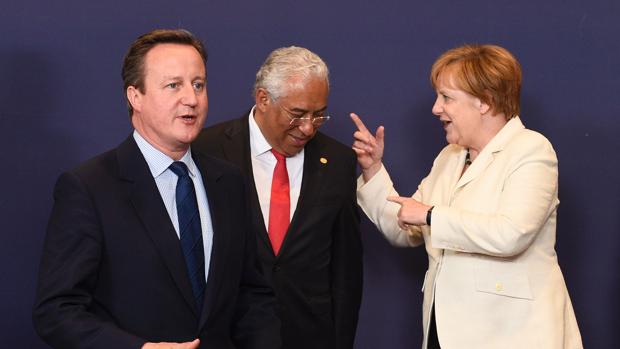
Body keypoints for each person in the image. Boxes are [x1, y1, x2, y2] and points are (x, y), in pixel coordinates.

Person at [33, 29, 280, 349]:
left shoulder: (229, 182)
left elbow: (253, 295)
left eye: (198, 85)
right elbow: (56, 311)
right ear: (135, 96)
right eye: (173, 85)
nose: (191, 99)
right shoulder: (89, 187)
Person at [351, 44, 582, 348]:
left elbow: (511, 234)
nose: (436, 108)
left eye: (446, 97)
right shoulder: (450, 156)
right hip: (445, 332)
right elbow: (404, 227)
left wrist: (431, 215)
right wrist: (373, 170)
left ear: (485, 101)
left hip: (512, 334)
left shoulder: (531, 150)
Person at [193, 46, 363, 349]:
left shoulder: (338, 161)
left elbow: (346, 271)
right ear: (262, 99)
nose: (309, 127)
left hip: (310, 336)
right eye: (297, 114)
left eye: (318, 114)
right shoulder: (207, 150)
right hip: (229, 336)